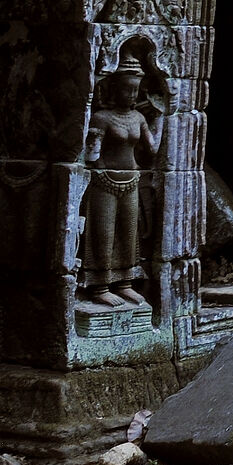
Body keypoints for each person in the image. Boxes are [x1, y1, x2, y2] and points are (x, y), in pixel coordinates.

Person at [79, 41, 164, 308]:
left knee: (129, 234)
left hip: (132, 179)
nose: (131, 94)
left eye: (135, 89)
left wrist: (160, 115)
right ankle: (100, 286)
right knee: (103, 232)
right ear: (113, 89)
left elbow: (152, 149)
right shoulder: (102, 117)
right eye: (126, 88)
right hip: (103, 182)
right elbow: (91, 155)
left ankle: (125, 282)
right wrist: (94, 143)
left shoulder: (138, 118)